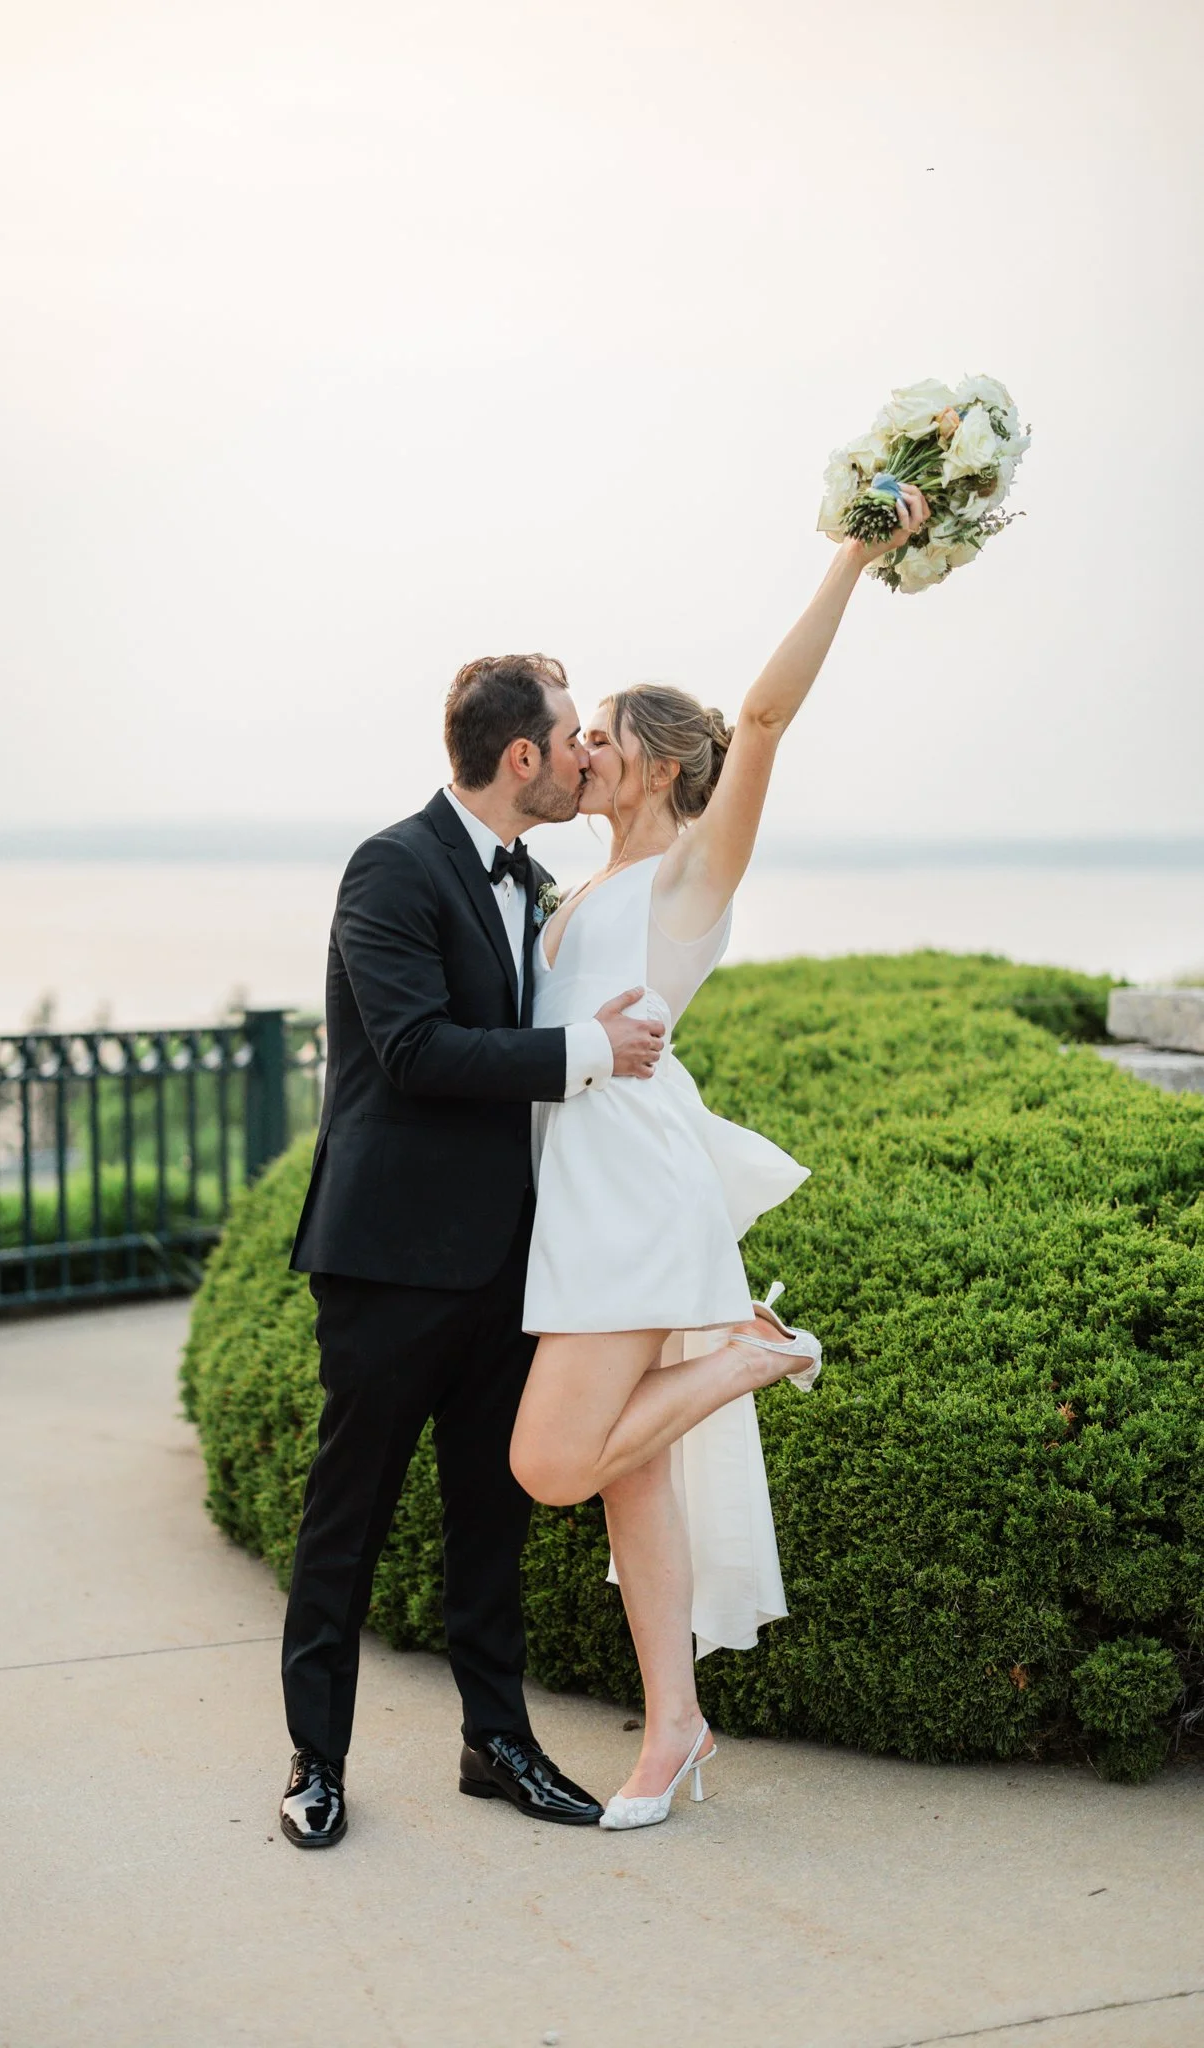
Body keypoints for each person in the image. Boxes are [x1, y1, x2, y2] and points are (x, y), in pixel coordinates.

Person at [509, 489, 930, 1829]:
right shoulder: (567, 892)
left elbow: (762, 719)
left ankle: (757, 1349)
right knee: (634, 1485)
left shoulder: (692, 874)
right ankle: (673, 1732)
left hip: (633, 1206)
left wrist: (854, 555)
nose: (579, 750)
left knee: (548, 1465)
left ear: (655, 764)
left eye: (599, 738)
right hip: (575, 1208)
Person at [278, 653, 668, 1847]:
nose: (581, 757)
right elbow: (413, 1050)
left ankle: (494, 1742)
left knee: (488, 1515)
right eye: (570, 739)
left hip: (508, 1258)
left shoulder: (536, 876)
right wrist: (588, 1051)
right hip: (390, 1260)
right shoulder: (392, 866)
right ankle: (315, 1760)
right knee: (350, 1515)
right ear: (521, 759)